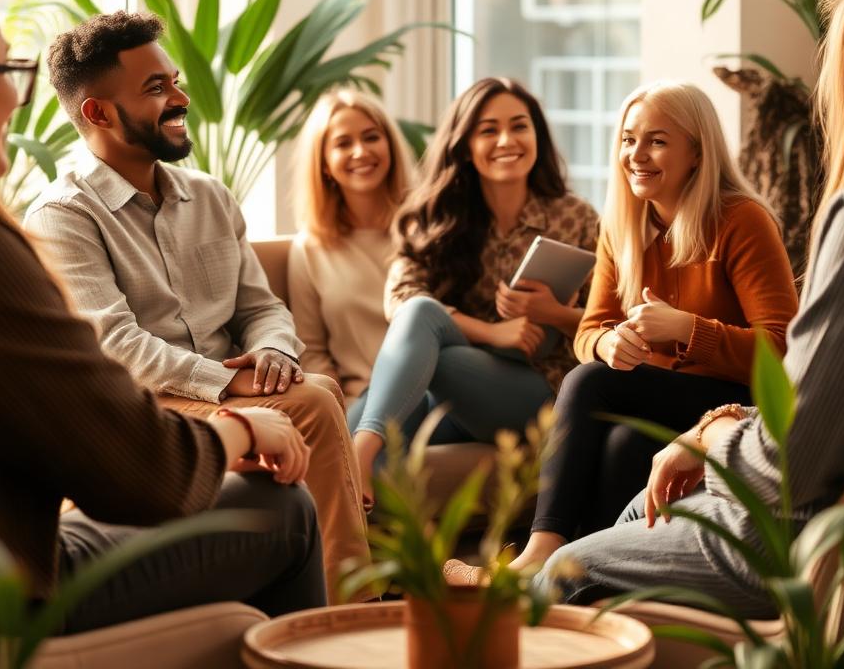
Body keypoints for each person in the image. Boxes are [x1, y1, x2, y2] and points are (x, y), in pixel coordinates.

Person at [0, 0, 325, 633]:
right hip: (2, 593)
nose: (20, 100)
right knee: (284, 512)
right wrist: (239, 424)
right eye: (9, 70)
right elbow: (146, 473)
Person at [536, 0, 844, 617]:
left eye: (832, 65)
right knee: (635, 483)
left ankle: (539, 570)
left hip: (822, 534)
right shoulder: (628, 224)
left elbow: (795, 459)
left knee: (565, 573)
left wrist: (709, 431)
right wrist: (714, 420)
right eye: (629, 140)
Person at [23, 12, 367, 598]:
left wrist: (272, 353)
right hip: (142, 411)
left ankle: (306, 597)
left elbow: (260, 306)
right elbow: (119, 348)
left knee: (311, 391)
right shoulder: (63, 218)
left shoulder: (210, 196)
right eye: (157, 88)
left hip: (217, 396)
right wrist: (230, 383)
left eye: (174, 80)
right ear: (98, 113)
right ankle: (352, 610)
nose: (181, 97)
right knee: (311, 400)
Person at [468, 81, 797, 579]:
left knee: (587, 381)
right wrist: (607, 341)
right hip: (661, 401)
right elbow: (590, 330)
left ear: (696, 152)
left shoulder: (741, 220)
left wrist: (688, 328)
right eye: (627, 140)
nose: (636, 155)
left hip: (735, 403)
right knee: (622, 440)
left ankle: (540, 552)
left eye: (657, 141)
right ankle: (579, 580)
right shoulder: (623, 228)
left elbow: (783, 349)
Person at [352, 76, 600, 501]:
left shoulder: (576, 218)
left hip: (539, 390)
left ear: (536, 135)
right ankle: (384, 534)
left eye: (520, 126)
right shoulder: (431, 216)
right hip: (458, 398)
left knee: (435, 363)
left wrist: (553, 313)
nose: (507, 140)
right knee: (367, 405)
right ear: (465, 145)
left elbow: (613, 323)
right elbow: (402, 299)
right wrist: (491, 332)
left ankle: (359, 459)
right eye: (489, 130)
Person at [288, 88, 412, 424]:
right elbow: (312, 353)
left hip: (430, 393)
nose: (361, 151)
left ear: (390, 147)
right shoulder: (309, 249)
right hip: (365, 405)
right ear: (324, 163)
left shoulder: (425, 230)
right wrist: (340, 414)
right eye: (343, 143)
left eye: (372, 137)